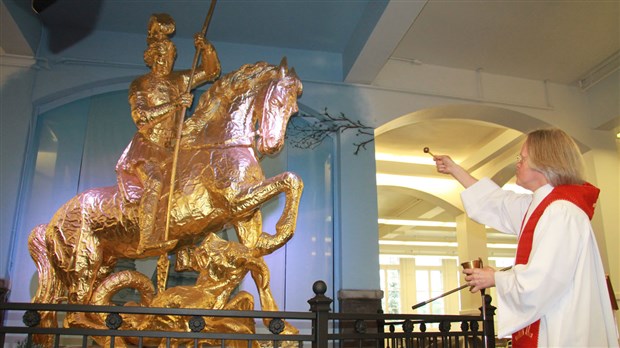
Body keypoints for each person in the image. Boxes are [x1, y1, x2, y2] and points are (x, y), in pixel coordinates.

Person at [434, 128, 618, 347]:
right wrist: (455, 169)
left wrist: (496, 278)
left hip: (561, 325)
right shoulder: (542, 204)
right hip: (550, 318)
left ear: (545, 162)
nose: (517, 163)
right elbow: (498, 202)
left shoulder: (561, 211)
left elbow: (545, 279)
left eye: (522, 158)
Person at [116, 13, 221, 254]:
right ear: (152, 58)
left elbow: (211, 71)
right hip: (148, 148)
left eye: (171, 57)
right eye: (162, 57)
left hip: (173, 149)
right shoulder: (141, 84)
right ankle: (146, 238)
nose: (166, 62)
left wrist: (206, 49)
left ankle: (185, 245)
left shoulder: (179, 79)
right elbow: (141, 118)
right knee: (154, 182)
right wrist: (176, 104)